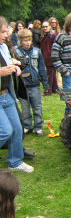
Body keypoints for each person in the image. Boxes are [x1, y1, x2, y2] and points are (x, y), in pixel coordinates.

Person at [0, 16, 34, 172]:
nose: (6, 35)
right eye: (2, 32)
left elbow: (8, 64)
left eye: (6, 31)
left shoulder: (4, 48)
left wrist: (15, 66)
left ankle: (14, 162)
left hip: (6, 95)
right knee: (6, 131)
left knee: (17, 128)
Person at [14, 29, 49, 137]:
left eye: (29, 40)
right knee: (25, 108)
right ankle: (27, 126)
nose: (28, 43)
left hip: (35, 85)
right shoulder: (15, 52)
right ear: (20, 40)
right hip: (22, 85)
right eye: (25, 41)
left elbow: (42, 68)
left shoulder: (36, 51)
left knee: (37, 107)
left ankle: (38, 127)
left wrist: (45, 84)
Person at [40, 20, 58, 96]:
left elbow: (57, 46)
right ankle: (55, 89)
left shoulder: (52, 36)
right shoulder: (43, 36)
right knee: (52, 74)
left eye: (46, 26)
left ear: (49, 26)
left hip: (51, 58)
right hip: (46, 58)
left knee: (49, 75)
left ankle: (47, 91)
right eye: (43, 27)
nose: (45, 28)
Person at [48, 17, 62, 88]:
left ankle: (59, 84)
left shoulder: (59, 32)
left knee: (58, 69)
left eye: (55, 22)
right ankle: (52, 84)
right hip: (49, 52)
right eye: (52, 22)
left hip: (58, 51)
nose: (53, 24)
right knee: (50, 70)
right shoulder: (47, 32)